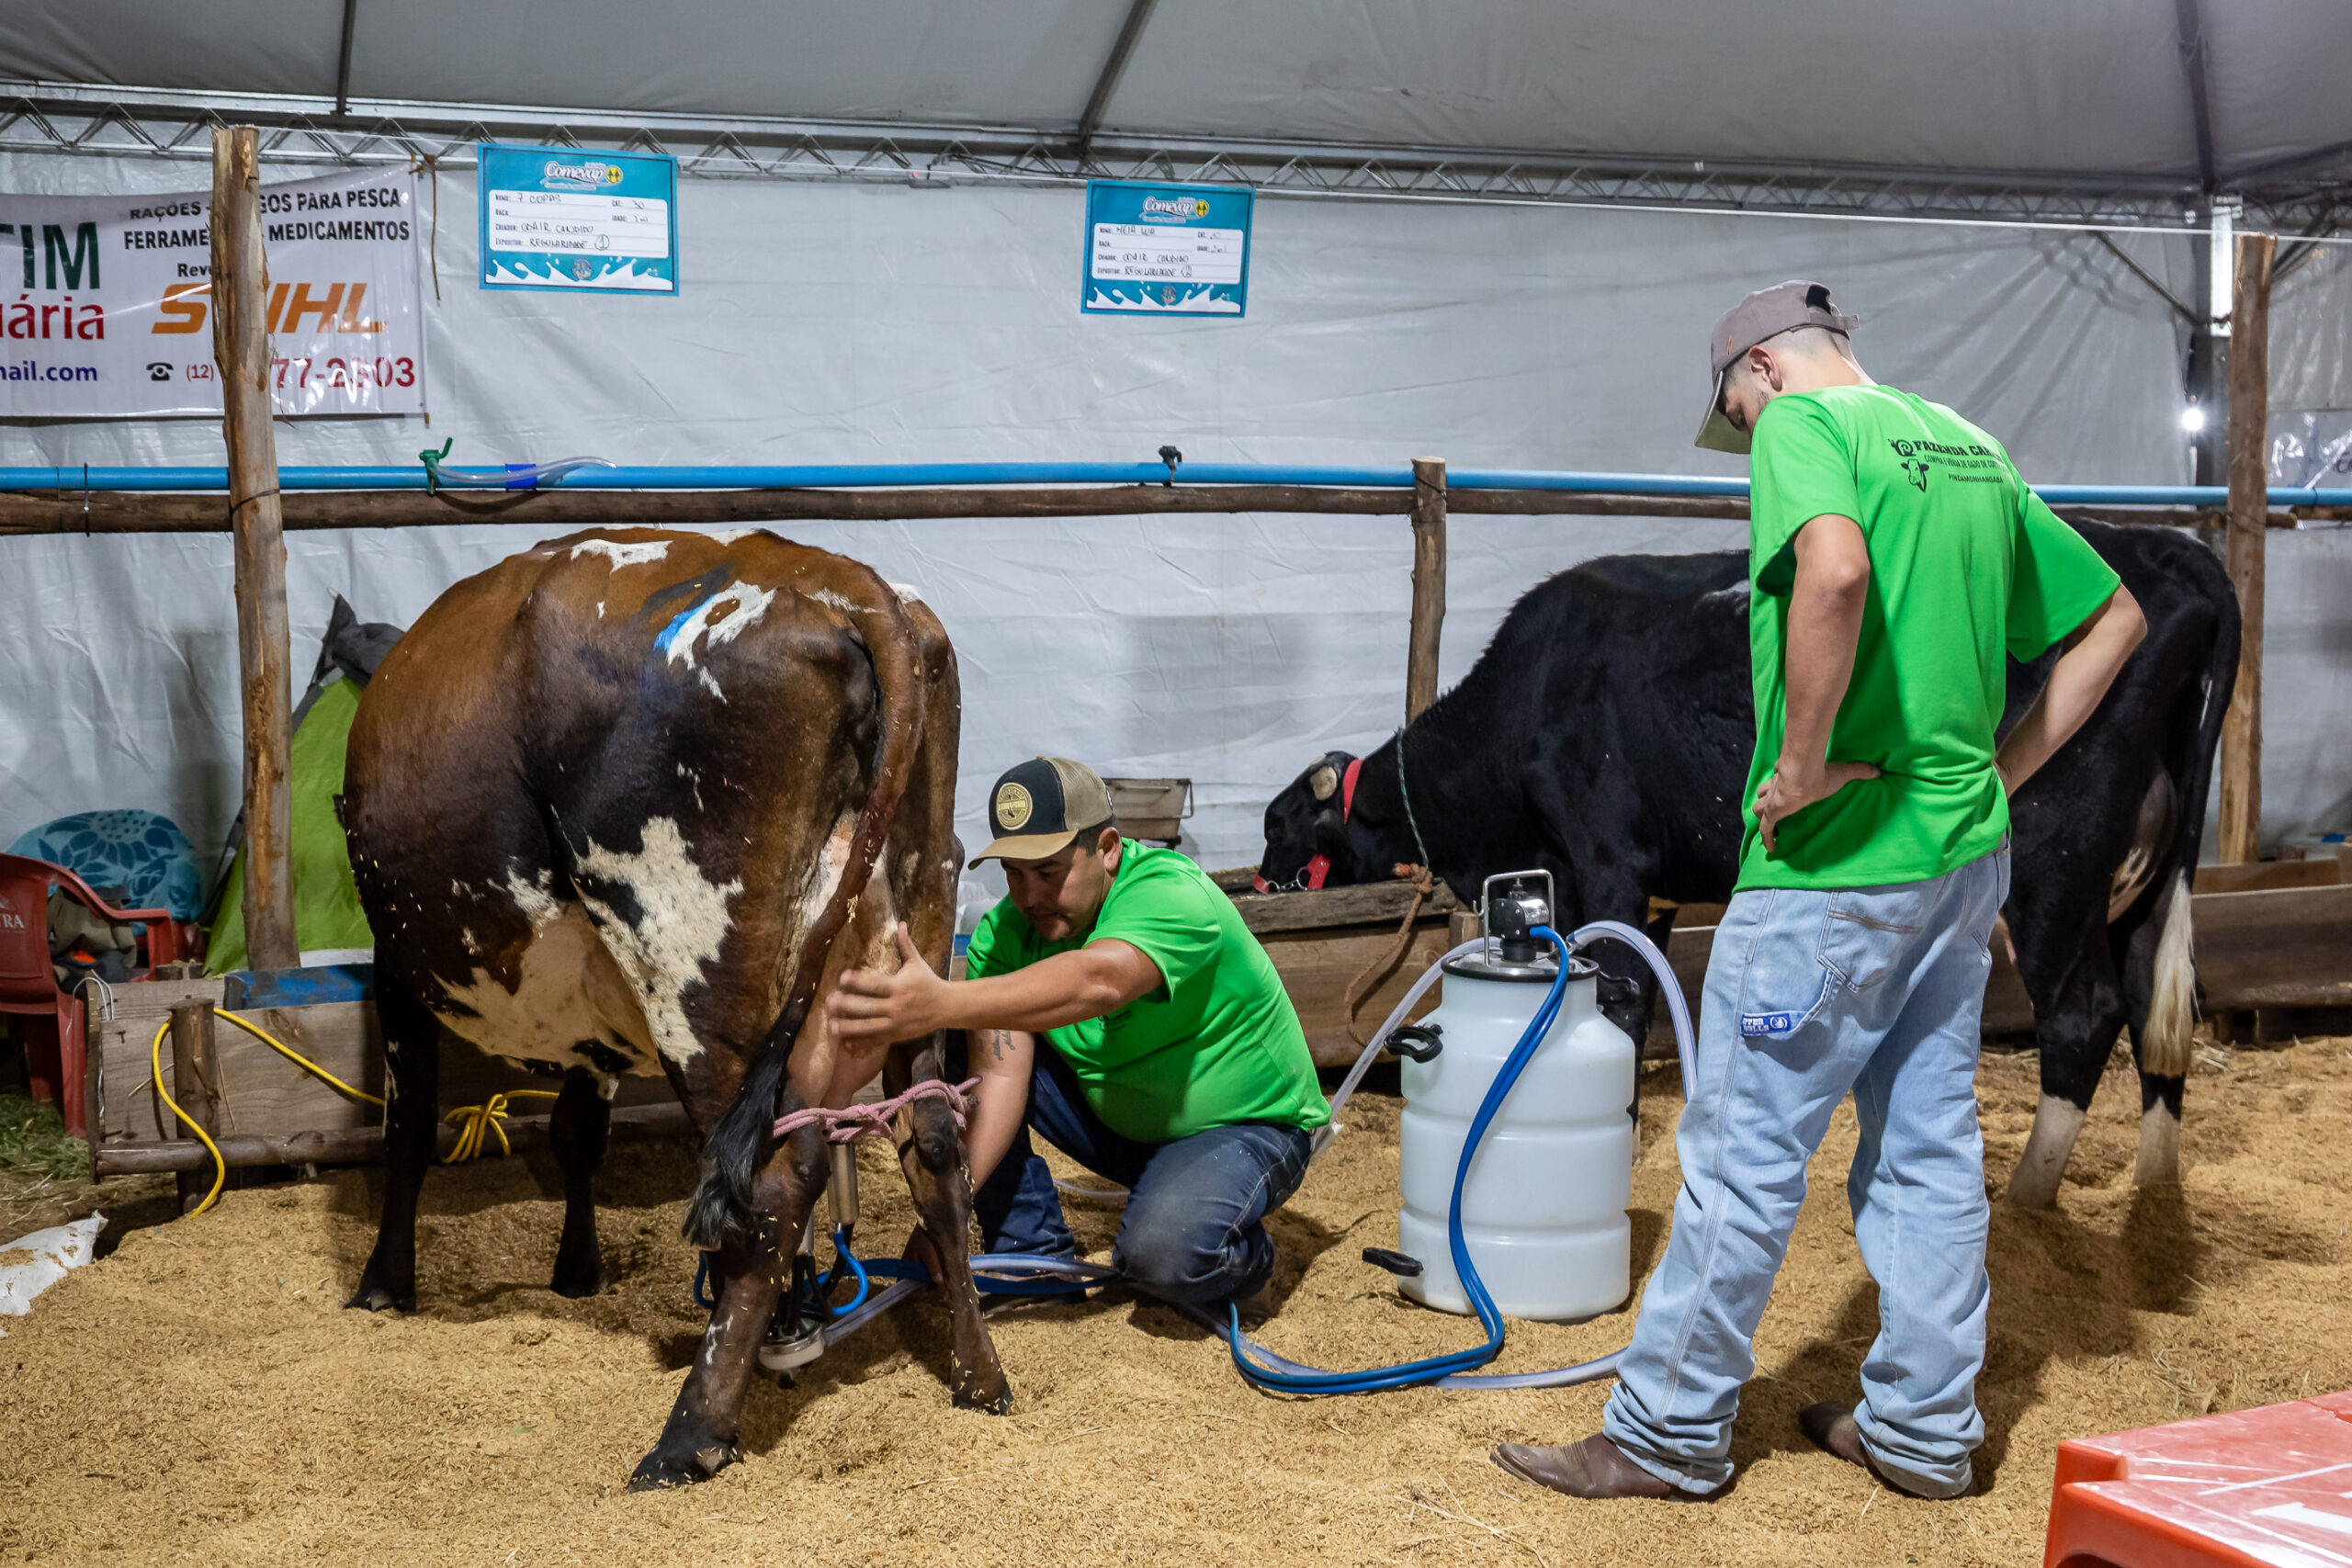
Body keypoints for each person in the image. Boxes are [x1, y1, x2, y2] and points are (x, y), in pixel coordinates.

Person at [1494, 281, 2146, 1503]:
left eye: (1737, 415)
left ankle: (1664, 1433)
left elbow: (1835, 571)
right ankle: (1923, 1431)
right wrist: (1994, 778)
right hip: (1958, 865)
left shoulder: (1805, 425)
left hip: (1835, 866)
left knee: (1743, 1156)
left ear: (1762, 368)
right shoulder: (1967, 441)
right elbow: (2114, 617)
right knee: (1929, 1151)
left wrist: (1797, 765)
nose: (1748, 436)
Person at [825, 755, 1329, 1314]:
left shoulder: (1170, 891)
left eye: (1049, 872)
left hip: (1246, 1129)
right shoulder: (1005, 935)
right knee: (962, 1060)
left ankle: (1250, 1264)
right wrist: (944, 1215)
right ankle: (1032, 1254)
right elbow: (998, 1079)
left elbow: (1100, 979)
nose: (1029, 896)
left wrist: (941, 1002)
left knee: (1161, 1257)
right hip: (1125, 1131)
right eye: (1014, 873)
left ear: (1107, 848)